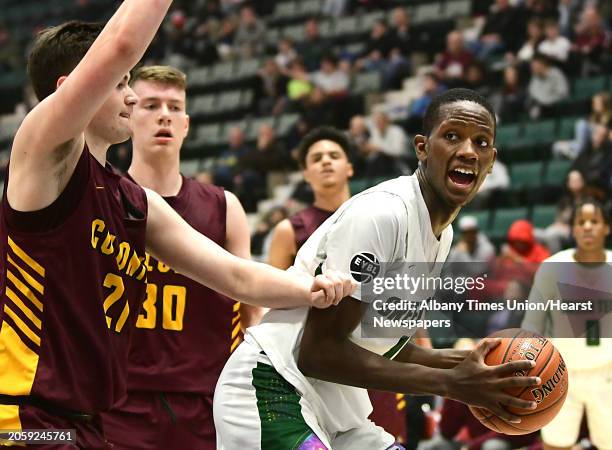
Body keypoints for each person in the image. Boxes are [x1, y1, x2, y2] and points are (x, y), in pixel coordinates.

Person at [0, 5, 352, 448]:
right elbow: (123, 43)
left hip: (91, 424)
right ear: (73, 90)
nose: (130, 97)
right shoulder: (43, 155)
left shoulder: (134, 201)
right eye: (122, 83)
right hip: (25, 420)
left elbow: (236, 275)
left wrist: (312, 289)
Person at [214, 89, 542, 450]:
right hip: (274, 389)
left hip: (337, 408)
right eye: (452, 136)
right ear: (422, 147)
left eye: (480, 142)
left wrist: (479, 361)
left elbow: (385, 343)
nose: (467, 150)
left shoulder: (441, 234)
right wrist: (451, 384)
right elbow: (319, 352)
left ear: (491, 160)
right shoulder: (382, 214)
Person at [99, 65, 261, 449]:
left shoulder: (225, 207)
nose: (164, 116)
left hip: (207, 399)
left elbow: (252, 310)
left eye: (174, 107)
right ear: (129, 115)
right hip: (118, 401)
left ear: (186, 125)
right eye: (151, 105)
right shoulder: (102, 198)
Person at [522, 197, 612, 450]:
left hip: (607, 372)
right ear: (572, 228)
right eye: (580, 222)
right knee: (554, 444)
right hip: (561, 372)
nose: (587, 227)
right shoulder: (552, 268)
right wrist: (531, 366)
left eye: (594, 221)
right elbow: (532, 323)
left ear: (606, 228)